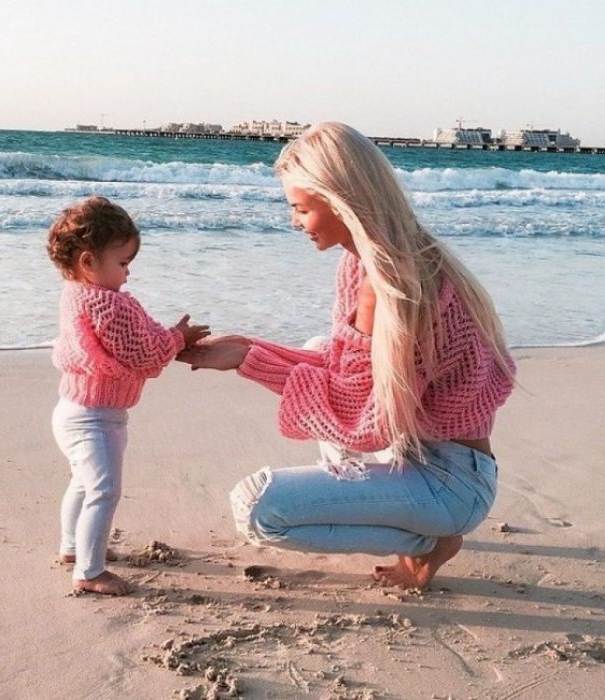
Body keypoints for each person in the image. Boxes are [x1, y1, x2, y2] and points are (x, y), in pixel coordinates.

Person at [178, 122, 516, 589]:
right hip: (426, 453)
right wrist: (246, 349)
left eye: (300, 208)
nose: (294, 222)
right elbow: (344, 373)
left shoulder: (390, 287)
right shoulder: (368, 261)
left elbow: (362, 417)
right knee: (323, 350)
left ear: (341, 201)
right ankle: (402, 516)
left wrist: (245, 362)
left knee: (256, 508)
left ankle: (428, 542)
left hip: (449, 484)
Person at [47, 196, 209, 595]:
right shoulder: (105, 303)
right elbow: (141, 351)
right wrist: (177, 338)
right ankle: (88, 571)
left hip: (78, 408)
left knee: (83, 484)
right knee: (104, 489)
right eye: (122, 263)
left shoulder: (77, 293)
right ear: (88, 262)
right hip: (94, 417)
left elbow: (138, 340)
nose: (128, 273)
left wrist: (168, 337)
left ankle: (73, 547)